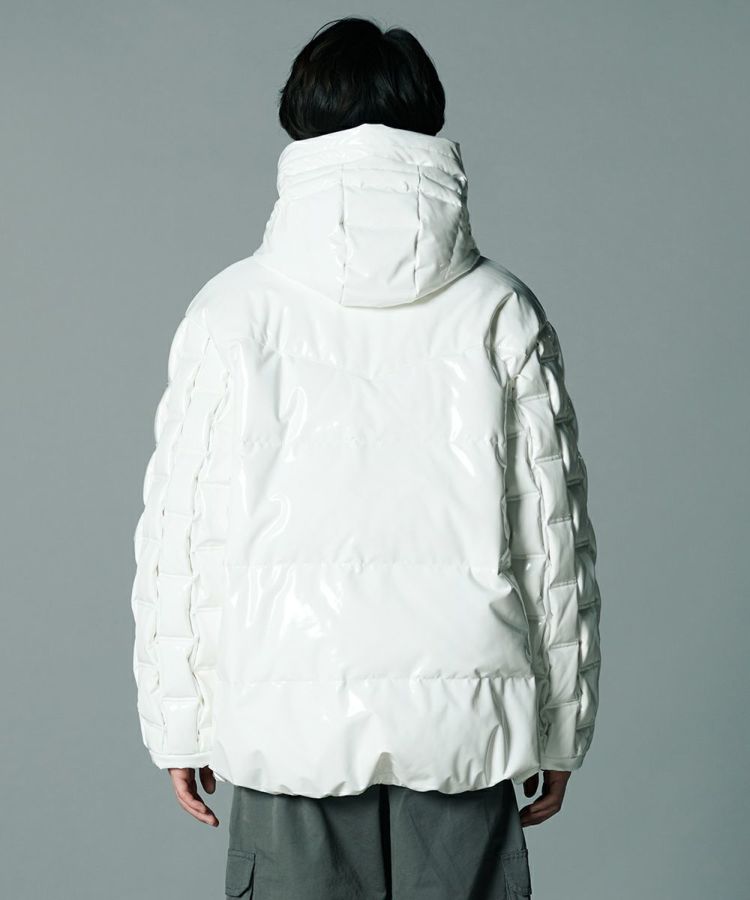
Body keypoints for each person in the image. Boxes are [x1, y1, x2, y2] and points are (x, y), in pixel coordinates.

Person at [129, 15, 603, 900]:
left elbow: (182, 538)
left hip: (284, 720)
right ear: (428, 118)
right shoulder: (501, 310)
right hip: (466, 727)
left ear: (300, 123)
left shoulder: (229, 310)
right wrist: (561, 727)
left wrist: (179, 723)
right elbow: (551, 538)